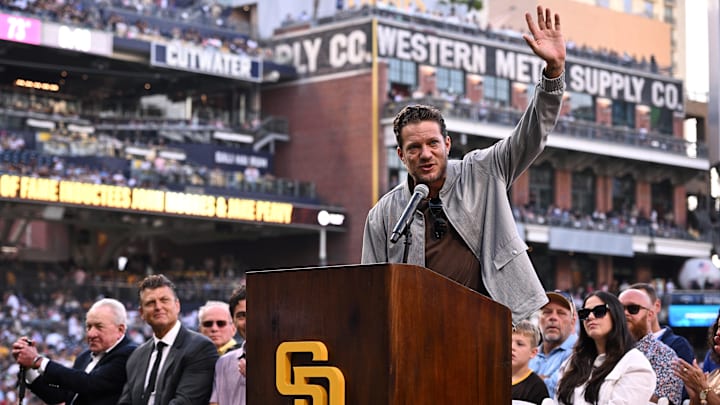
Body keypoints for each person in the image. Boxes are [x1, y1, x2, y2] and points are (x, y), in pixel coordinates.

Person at [360, 5, 566, 323]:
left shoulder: (482, 170)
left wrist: (553, 74)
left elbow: (533, 133)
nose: (425, 154)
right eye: (414, 148)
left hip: (496, 325)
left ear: (447, 144)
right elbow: (370, 290)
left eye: (432, 144)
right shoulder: (384, 216)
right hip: (421, 333)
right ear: (400, 155)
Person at [12, 298, 137, 405]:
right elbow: (61, 397)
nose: (91, 334)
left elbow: (89, 383)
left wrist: (37, 360)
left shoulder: (130, 354)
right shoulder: (84, 357)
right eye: (88, 326)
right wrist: (29, 369)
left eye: (99, 327)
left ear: (120, 330)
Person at [118, 274, 218, 405]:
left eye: (164, 300)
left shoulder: (201, 348)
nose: (158, 307)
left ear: (177, 306)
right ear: (141, 313)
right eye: (150, 303)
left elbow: (185, 402)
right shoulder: (136, 356)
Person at [555, 291, 656, 404]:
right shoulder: (572, 362)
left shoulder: (635, 365)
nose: (590, 317)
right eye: (585, 313)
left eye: (599, 311)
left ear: (616, 315)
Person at [631, 282, 695, 402]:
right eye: (622, 308)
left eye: (634, 308)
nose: (627, 314)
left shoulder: (677, 346)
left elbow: (684, 394)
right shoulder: (619, 347)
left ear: (656, 306)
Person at [618, 288, 682, 404]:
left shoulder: (665, 356)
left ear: (650, 315)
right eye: (619, 309)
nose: (625, 313)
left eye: (633, 309)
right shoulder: (604, 351)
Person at [529, 291, 578, 398]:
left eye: (561, 313)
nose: (553, 317)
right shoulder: (530, 353)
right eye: (547, 312)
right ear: (538, 320)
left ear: (573, 321)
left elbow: (556, 391)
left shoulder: (581, 352)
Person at [673, 309, 720, 405]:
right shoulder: (714, 375)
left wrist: (702, 387)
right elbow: (703, 399)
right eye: (719, 327)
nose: (718, 332)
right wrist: (695, 396)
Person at [210, 285, 247, 405]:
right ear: (234, 321)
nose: (248, 321)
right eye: (241, 315)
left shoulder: (284, 361)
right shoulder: (223, 363)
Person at [512, 320, 550, 404]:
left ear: (533, 353)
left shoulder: (537, 387)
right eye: (508, 341)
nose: (512, 347)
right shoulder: (493, 380)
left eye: (520, 344)